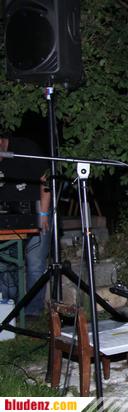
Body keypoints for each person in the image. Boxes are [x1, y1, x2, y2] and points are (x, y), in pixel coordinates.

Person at [0, 134, 50, 316]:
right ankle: (8, 310)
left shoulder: (25, 148)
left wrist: (43, 213)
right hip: (8, 214)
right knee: (5, 263)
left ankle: (32, 312)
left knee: (35, 262)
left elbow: (46, 179)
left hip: (38, 208)